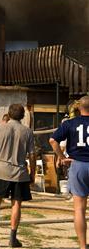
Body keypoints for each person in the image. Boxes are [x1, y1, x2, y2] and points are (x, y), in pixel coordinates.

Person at [0, 103, 35, 248]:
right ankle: (12, 238)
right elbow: (32, 156)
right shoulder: (27, 132)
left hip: (1, 170)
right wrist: (32, 173)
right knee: (16, 204)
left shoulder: (0, 129)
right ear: (22, 116)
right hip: (19, 174)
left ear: (9, 113)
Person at [49, 95, 89, 249]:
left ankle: (82, 246)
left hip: (78, 164)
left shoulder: (70, 123)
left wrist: (61, 157)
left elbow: (52, 140)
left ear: (78, 108)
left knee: (79, 208)